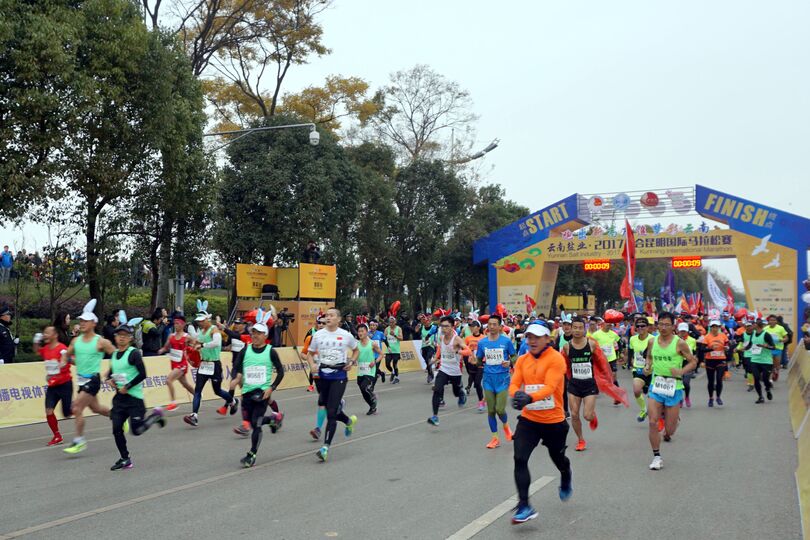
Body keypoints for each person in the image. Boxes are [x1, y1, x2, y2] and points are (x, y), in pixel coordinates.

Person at [509, 323, 573, 524]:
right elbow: (514, 384)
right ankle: (524, 505)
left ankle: (566, 474)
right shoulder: (522, 360)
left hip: (553, 421)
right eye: (529, 337)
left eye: (537, 337)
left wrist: (529, 397)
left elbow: (550, 387)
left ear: (548, 339)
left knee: (558, 457)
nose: (532, 341)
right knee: (519, 458)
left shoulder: (556, 359)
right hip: (530, 420)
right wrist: (516, 395)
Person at [105, 321, 166, 470]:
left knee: (136, 430)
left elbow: (143, 374)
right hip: (120, 399)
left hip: (134, 400)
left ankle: (155, 417)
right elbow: (109, 374)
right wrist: (109, 381)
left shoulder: (133, 354)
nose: (122, 338)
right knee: (116, 429)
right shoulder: (114, 355)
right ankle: (125, 458)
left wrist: (128, 386)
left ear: (131, 338)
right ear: (115, 337)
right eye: (119, 335)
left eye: (125, 336)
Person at [643, 312, 697, 470]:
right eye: (661, 324)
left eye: (667, 325)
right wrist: (647, 366)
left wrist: (681, 372)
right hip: (656, 385)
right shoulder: (652, 341)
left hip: (674, 387)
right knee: (652, 422)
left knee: (670, 430)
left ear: (673, 326)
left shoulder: (679, 343)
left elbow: (693, 362)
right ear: (657, 325)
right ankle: (656, 457)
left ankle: (673, 421)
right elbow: (649, 357)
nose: (663, 327)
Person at [63, 300, 117, 454]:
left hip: (93, 380)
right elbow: (69, 358)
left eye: (85, 321)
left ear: (93, 323)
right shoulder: (75, 341)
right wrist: (64, 361)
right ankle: (117, 416)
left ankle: (79, 441)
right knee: (96, 408)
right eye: (80, 320)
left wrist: (111, 372)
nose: (82, 323)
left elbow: (117, 356)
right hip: (81, 380)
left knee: (76, 407)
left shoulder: (101, 341)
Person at [306, 308, 359, 462]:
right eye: (326, 315)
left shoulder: (345, 335)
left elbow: (356, 350)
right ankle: (349, 422)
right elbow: (310, 354)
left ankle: (325, 447)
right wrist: (312, 365)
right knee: (329, 407)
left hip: (339, 375)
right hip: (323, 376)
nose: (328, 318)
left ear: (338, 319)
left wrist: (351, 361)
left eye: (331, 315)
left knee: (331, 412)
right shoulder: (318, 335)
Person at [232, 311, 284, 468]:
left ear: (265, 335)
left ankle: (252, 454)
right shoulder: (245, 350)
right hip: (246, 393)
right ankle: (274, 419)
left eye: (258, 333)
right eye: (253, 332)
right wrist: (235, 379)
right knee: (253, 423)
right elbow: (236, 367)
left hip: (262, 393)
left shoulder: (271, 351)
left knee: (256, 424)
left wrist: (271, 388)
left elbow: (281, 372)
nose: (254, 335)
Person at [183, 303, 238, 427]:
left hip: (214, 364)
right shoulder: (201, 331)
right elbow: (197, 341)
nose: (200, 323)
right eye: (198, 321)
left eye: (202, 321)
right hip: (204, 364)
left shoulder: (214, 329)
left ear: (207, 319)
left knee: (217, 390)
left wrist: (202, 345)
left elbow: (216, 343)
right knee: (198, 390)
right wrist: (191, 345)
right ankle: (194, 416)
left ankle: (232, 400)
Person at [563, 316, 605, 451]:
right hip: (574, 384)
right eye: (575, 327)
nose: (577, 330)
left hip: (589, 385)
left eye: (580, 328)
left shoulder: (591, 344)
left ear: (584, 329)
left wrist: (604, 377)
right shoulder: (567, 347)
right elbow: (564, 366)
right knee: (574, 414)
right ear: (571, 328)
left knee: (586, 416)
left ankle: (592, 415)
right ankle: (580, 440)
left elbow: (601, 362)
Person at [476, 314, 516, 448]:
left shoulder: (506, 341)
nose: (491, 327)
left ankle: (506, 426)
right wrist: (474, 361)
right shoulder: (482, 343)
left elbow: (515, 358)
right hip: (488, 379)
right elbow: (478, 361)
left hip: (502, 379)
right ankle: (495, 438)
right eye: (489, 324)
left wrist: (509, 362)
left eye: (494, 324)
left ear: (500, 327)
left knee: (499, 409)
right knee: (491, 410)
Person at [427, 316, 470, 426]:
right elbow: (440, 351)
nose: (443, 328)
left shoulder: (457, 339)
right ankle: (435, 416)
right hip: (443, 369)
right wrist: (434, 360)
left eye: (446, 326)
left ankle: (461, 393)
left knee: (456, 392)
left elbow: (468, 351)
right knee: (437, 390)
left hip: (455, 372)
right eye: (442, 326)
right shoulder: (441, 338)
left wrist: (458, 352)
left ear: (452, 327)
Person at [34, 326, 71, 446]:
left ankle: (78, 404)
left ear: (54, 335)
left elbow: (65, 358)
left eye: (47, 333)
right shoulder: (45, 349)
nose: (45, 335)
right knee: (49, 411)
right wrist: (35, 340)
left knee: (67, 413)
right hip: (52, 386)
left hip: (65, 384)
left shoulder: (61, 348)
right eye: (44, 333)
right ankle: (57, 436)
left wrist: (62, 363)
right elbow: (36, 351)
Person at [157, 313, 195, 411]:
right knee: (185, 384)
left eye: (178, 323)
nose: (176, 325)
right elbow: (166, 347)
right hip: (174, 363)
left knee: (168, 380)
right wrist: (161, 350)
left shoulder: (187, 337)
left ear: (183, 324)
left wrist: (192, 351)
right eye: (175, 323)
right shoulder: (171, 336)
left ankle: (173, 403)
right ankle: (198, 395)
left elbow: (196, 345)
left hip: (182, 364)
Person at [747, 318, 778, 403]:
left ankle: (767, 389)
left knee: (765, 379)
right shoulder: (752, 334)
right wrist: (741, 349)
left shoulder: (766, 334)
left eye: (753, 324)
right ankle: (760, 396)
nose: (751, 326)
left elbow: (773, 347)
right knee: (756, 378)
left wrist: (765, 346)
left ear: (757, 325)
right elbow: (750, 345)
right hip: (755, 360)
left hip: (766, 361)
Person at [628, 317, 654, 421]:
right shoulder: (633, 339)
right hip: (638, 369)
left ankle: (657, 416)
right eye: (638, 326)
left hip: (652, 370)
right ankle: (643, 409)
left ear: (648, 327)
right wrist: (629, 362)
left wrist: (649, 366)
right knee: (636, 390)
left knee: (653, 397)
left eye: (643, 326)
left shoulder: (653, 339)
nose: (640, 328)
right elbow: (630, 351)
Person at [699, 320, 730, 407]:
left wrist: (726, 348)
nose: (714, 328)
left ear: (719, 328)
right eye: (713, 327)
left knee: (719, 379)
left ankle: (718, 397)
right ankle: (711, 398)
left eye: (716, 327)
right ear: (710, 328)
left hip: (721, 359)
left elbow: (728, 346)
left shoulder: (723, 336)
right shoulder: (707, 337)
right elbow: (702, 349)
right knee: (711, 381)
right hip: (710, 360)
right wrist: (711, 349)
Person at [356, 324, 381, 415]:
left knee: (365, 387)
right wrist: (354, 361)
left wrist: (374, 362)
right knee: (363, 392)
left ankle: (373, 396)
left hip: (370, 370)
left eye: (362, 331)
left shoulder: (372, 343)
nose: (360, 333)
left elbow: (381, 354)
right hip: (360, 370)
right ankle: (372, 406)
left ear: (367, 332)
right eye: (359, 331)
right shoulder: (357, 344)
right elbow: (355, 356)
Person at [464, 320, 485, 412]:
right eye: (471, 326)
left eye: (474, 326)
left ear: (479, 327)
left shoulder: (484, 338)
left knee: (477, 383)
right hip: (471, 362)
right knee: (472, 378)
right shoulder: (468, 338)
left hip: (480, 363)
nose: (472, 327)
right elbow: (464, 349)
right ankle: (468, 388)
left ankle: (481, 401)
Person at [676, 323, 697, 408]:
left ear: (687, 331)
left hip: (688, 363)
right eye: (681, 331)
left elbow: (694, 352)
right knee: (679, 383)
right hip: (678, 363)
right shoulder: (675, 340)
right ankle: (680, 399)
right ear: (678, 331)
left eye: (684, 331)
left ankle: (687, 397)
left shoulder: (692, 340)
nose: (683, 332)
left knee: (686, 383)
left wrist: (694, 361)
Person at [419, 313, 439, 384]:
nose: (425, 322)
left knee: (428, 358)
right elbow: (418, 335)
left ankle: (431, 375)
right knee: (427, 362)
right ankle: (430, 373)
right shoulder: (422, 327)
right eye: (423, 321)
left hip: (431, 346)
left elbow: (437, 332)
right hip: (424, 346)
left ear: (429, 321)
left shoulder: (434, 327)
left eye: (426, 321)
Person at [368, 319, 387, 386]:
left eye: (373, 325)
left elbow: (385, 340)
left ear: (376, 326)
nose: (372, 327)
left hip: (378, 355)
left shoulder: (380, 333)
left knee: (375, 371)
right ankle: (382, 373)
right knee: (373, 369)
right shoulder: (367, 334)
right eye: (370, 325)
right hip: (370, 355)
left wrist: (389, 347)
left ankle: (372, 386)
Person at [384, 316, 403, 384]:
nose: (391, 324)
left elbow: (401, 338)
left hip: (396, 350)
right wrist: (388, 346)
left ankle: (397, 377)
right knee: (387, 364)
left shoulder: (398, 329)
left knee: (395, 363)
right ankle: (393, 372)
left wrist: (394, 335)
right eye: (390, 322)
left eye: (392, 322)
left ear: (395, 322)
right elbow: (384, 339)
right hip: (389, 350)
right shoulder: (387, 329)